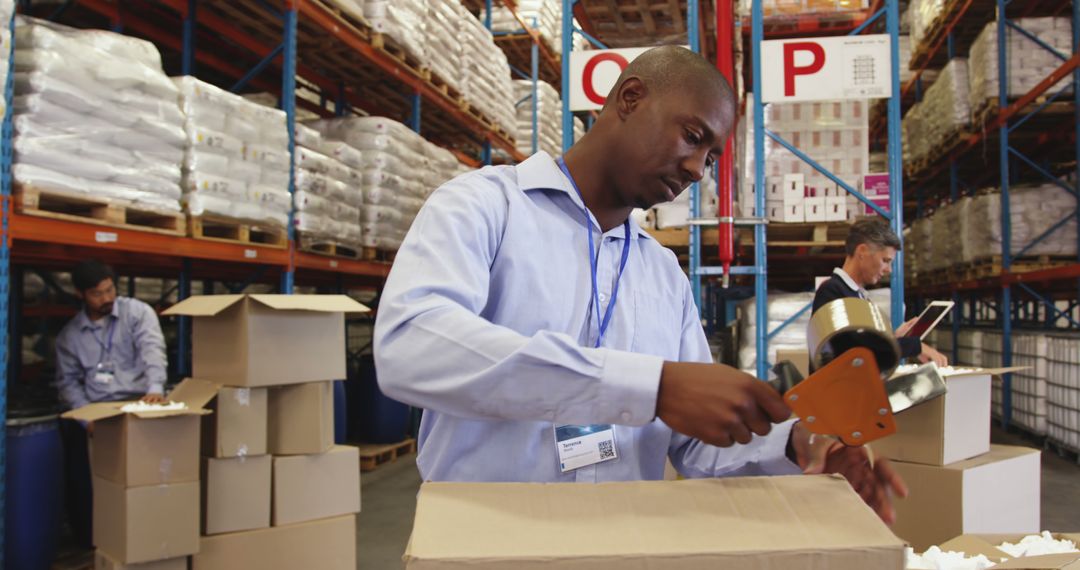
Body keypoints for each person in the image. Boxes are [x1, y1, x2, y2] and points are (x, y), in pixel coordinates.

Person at [374, 46, 905, 523]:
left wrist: (802, 444)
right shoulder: (484, 206)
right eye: (693, 137)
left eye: (712, 156)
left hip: (623, 542)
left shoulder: (661, 274)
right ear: (630, 98)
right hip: (483, 543)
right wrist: (650, 387)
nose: (699, 169)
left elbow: (695, 449)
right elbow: (412, 345)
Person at [54, 260, 169, 548]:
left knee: (150, 482)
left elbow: (152, 350)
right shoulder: (69, 337)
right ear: (81, 294)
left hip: (141, 404)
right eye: (97, 293)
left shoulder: (137, 313)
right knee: (101, 487)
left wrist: (156, 388)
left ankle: (151, 540)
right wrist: (86, 420)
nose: (106, 298)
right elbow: (67, 383)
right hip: (100, 414)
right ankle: (105, 544)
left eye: (110, 290)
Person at [813, 218, 948, 367]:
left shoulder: (856, 295)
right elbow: (857, 350)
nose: (888, 269)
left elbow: (863, 343)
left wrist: (894, 338)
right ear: (862, 251)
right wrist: (915, 346)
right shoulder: (832, 291)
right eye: (885, 260)